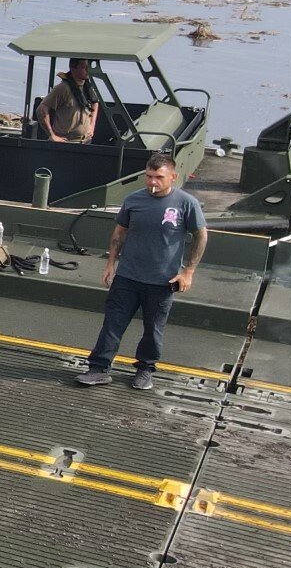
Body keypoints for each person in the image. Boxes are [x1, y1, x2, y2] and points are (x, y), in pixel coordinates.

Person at [74, 154, 207, 391]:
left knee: (153, 329)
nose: (153, 182)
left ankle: (145, 370)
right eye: (149, 176)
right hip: (127, 277)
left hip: (162, 281)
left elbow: (201, 235)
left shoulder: (186, 203)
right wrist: (110, 264)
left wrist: (188, 272)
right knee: (113, 324)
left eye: (159, 177)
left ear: (173, 177)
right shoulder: (133, 200)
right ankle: (99, 368)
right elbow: (119, 234)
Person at [40, 58, 101, 143]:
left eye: (88, 67)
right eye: (84, 67)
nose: (88, 70)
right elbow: (42, 109)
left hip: (85, 141)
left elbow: (95, 103)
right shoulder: (62, 88)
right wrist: (51, 135)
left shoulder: (88, 87)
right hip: (65, 142)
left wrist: (92, 126)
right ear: (73, 69)